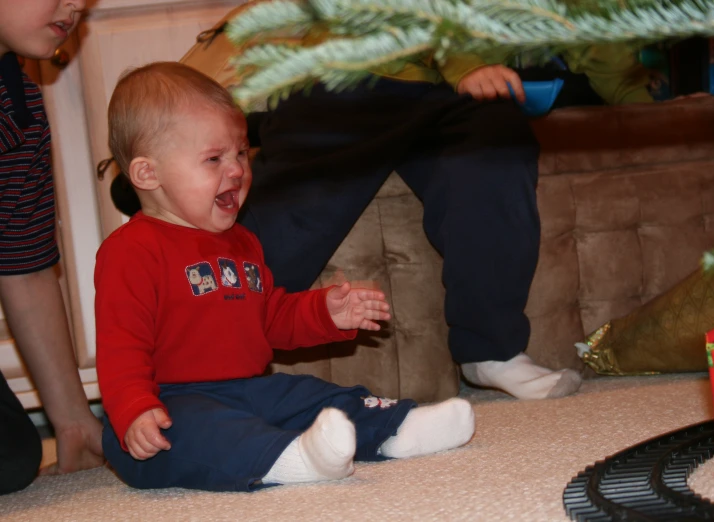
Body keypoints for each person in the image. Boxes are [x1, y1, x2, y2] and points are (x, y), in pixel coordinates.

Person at [110, 20, 654, 401]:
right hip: (356, 77)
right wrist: (468, 63)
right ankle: (194, 355)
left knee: (495, 149)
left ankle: (490, 350)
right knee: (301, 198)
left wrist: (646, 108)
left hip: (456, 98)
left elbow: (598, 40)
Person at [96, 62, 475, 492]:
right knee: (200, 433)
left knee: (313, 396)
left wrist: (325, 311)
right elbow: (121, 346)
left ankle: (396, 428)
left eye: (241, 153)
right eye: (214, 158)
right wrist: (134, 409)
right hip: (170, 403)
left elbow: (271, 317)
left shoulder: (243, 242)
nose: (237, 169)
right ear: (148, 174)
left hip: (251, 390)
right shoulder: (131, 249)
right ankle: (291, 459)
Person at [0, 0, 104, 495]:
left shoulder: (18, 102)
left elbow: (25, 266)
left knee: (10, 459)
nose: (78, 4)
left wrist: (74, 422)